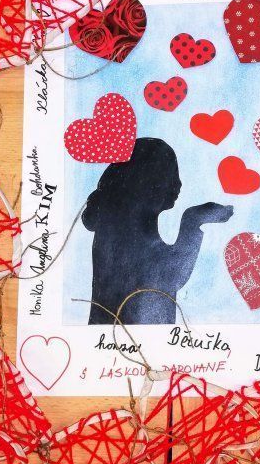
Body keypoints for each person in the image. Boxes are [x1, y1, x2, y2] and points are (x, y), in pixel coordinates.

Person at [83, 137, 233, 325]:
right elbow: (168, 276)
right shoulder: (122, 227)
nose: (178, 184)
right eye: (171, 174)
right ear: (144, 180)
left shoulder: (116, 221)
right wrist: (192, 220)